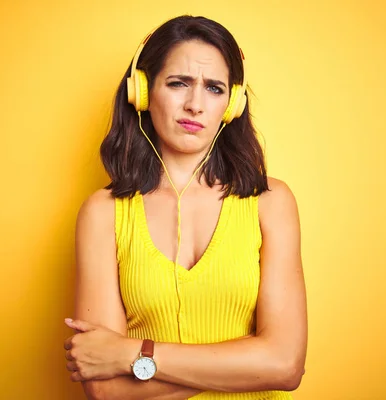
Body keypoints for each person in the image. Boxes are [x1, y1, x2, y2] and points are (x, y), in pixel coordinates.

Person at [64, 15, 307, 400]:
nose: (195, 105)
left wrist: (132, 354)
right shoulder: (103, 212)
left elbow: (284, 366)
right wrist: (246, 365)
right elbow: (105, 388)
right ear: (142, 92)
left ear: (232, 104)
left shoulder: (271, 202)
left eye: (214, 88)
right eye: (179, 83)